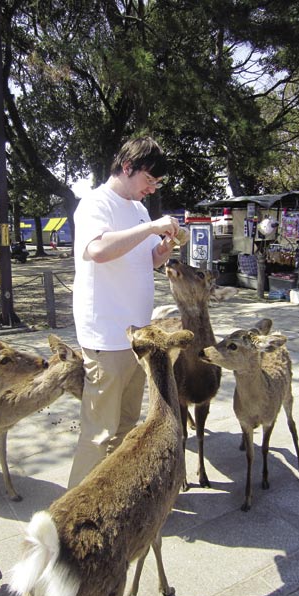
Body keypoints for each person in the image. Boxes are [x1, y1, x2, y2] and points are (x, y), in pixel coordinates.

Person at [68, 135, 187, 488]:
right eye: (148, 179)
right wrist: (151, 227)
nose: (151, 188)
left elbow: (146, 259)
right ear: (127, 167)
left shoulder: (137, 210)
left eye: (156, 183)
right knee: (98, 432)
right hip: (105, 334)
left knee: (125, 424)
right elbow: (99, 251)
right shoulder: (95, 203)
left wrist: (162, 248)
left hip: (137, 336)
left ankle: (110, 494)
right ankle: (70, 516)